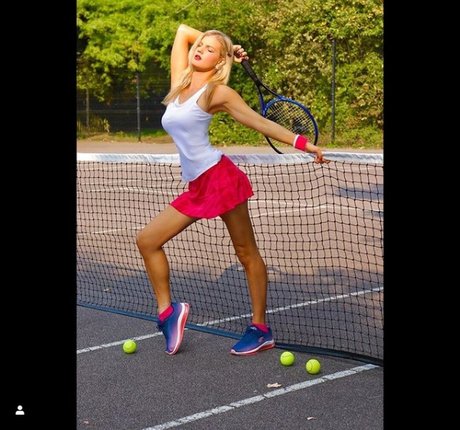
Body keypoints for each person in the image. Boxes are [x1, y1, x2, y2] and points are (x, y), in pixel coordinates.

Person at [136, 24, 328, 356]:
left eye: (210, 50)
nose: (200, 49)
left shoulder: (217, 93)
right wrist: (229, 45)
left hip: (220, 180)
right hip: (198, 185)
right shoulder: (179, 82)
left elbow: (259, 122)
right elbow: (182, 32)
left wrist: (304, 144)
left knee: (246, 252)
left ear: (220, 62)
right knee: (147, 240)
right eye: (200, 45)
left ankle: (260, 329)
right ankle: (168, 314)